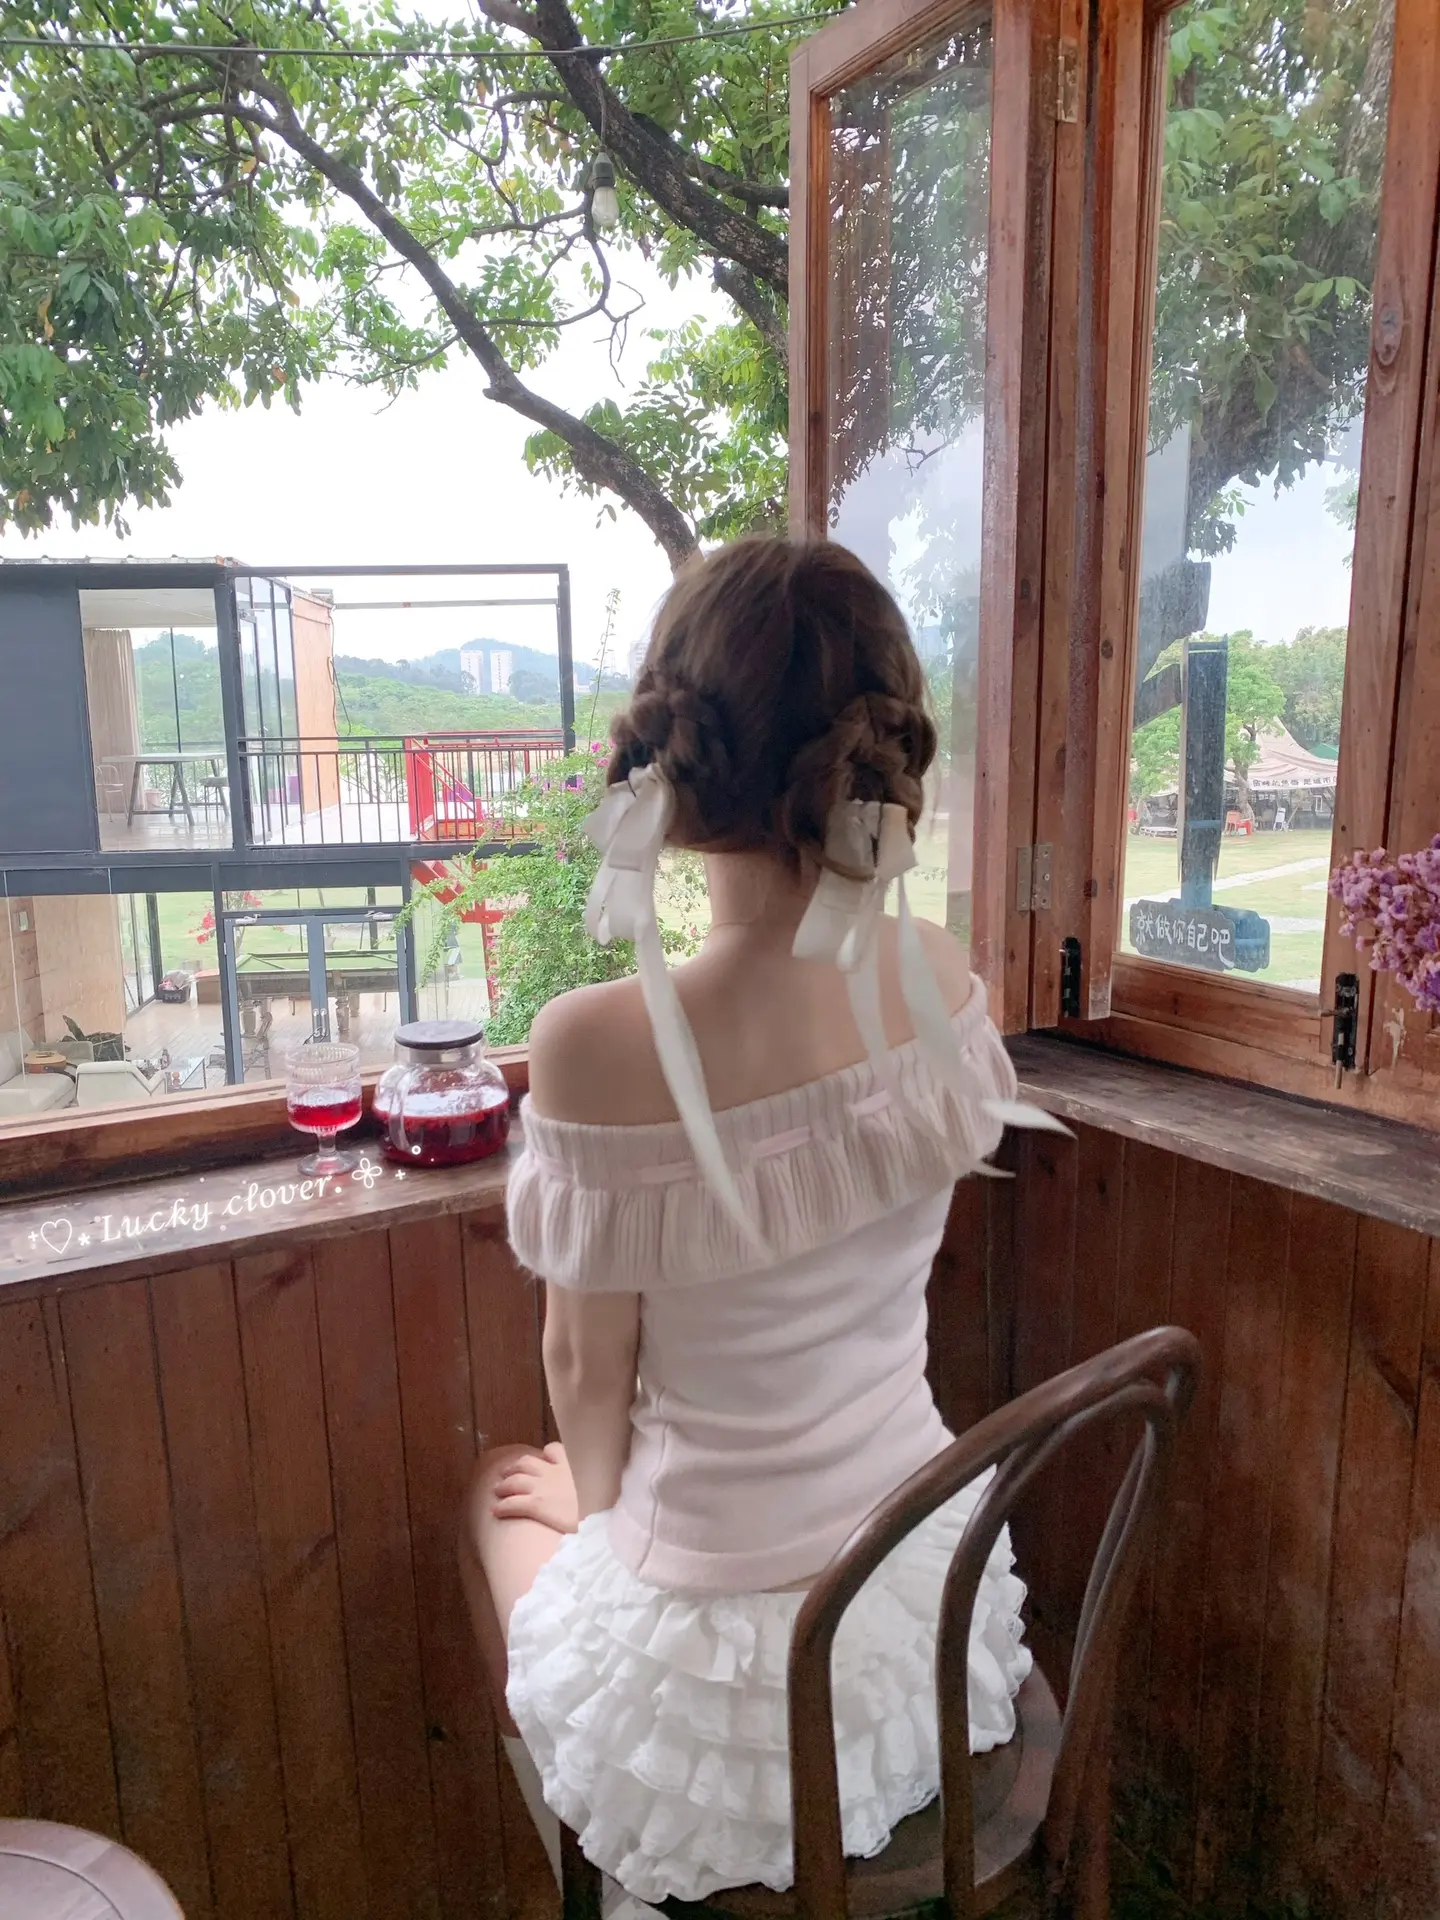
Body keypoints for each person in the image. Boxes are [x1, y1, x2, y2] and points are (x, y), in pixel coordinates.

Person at [469, 536, 1057, 1910]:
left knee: (492, 1502)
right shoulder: (937, 972)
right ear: (879, 758)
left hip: (727, 1686)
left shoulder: (592, 1043)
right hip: (922, 1601)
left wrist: (599, 1523)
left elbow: (583, 1370)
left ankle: (628, 1885)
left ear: (672, 765)